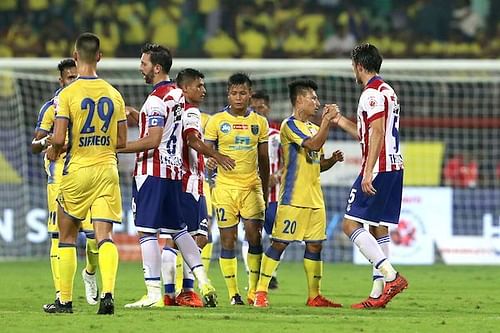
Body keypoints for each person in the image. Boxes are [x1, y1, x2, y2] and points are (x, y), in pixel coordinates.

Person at [119, 44, 217, 308]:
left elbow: (152, 141)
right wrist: (139, 118)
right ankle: (203, 279)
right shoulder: (178, 95)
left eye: (144, 63)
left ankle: (152, 294)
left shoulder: (155, 100)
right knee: (179, 230)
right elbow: (167, 132)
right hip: (175, 173)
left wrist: (118, 146)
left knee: (147, 232)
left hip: (152, 172)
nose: (141, 68)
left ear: (157, 67)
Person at [47, 33, 128, 314]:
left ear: (75, 55)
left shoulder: (68, 94)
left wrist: (54, 151)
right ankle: (107, 297)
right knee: (105, 236)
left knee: (67, 236)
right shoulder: (114, 93)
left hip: (78, 170)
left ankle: (65, 301)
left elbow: (58, 137)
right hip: (107, 170)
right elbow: (121, 141)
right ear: (100, 57)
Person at [253, 79, 344, 308]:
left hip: (315, 198)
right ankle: (260, 292)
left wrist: (331, 160)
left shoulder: (314, 128)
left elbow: (316, 161)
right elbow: (312, 145)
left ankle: (314, 296)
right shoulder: (289, 125)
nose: (317, 102)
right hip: (293, 198)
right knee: (280, 242)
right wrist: (326, 121)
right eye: (313, 98)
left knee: (315, 246)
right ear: (299, 99)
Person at [332, 43, 408, 309]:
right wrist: (339, 120)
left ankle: (391, 276)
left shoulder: (371, 94)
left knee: (349, 225)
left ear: (359, 66)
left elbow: (375, 132)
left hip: (379, 168)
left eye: (353, 66)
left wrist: (367, 170)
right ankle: (378, 295)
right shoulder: (387, 91)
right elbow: (368, 132)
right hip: (394, 167)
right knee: (378, 228)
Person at [159, 68, 235, 307]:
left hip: (174, 179)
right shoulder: (191, 111)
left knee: (177, 237)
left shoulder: (170, 110)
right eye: (199, 86)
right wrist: (216, 155)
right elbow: (192, 139)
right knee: (198, 237)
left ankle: (170, 294)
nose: (204, 90)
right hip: (188, 182)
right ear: (185, 89)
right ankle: (185, 291)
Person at [33, 58, 100, 312]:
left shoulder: (89, 103)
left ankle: (90, 272)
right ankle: (62, 293)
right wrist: (49, 141)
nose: (74, 79)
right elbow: (34, 144)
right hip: (59, 176)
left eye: (76, 75)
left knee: (95, 237)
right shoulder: (51, 108)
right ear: (61, 80)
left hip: (86, 173)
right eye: (69, 77)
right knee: (57, 236)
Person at [204, 73, 269, 305]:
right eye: (234, 93)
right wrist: (213, 159)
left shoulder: (259, 123)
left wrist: (266, 191)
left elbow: (264, 159)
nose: (238, 97)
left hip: (251, 187)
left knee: (254, 237)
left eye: (243, 93)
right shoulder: (216, 121)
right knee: (227, 240)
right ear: (228, 94)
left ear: (250, 94)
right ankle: (233, 294)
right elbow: (208, 152)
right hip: (224, 188)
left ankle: (253, 291)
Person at [246, 90, 282, 289]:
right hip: (250, 191)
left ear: (268, 109)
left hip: (274, 195)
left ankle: (271, 274)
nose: (258, 110)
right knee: (251, 235)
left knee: (276, 236)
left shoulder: (277, 135)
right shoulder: (245, 132)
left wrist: (277, 176)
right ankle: (253, 275)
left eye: (262, 107)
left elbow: (288, 162)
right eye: (255, 107)